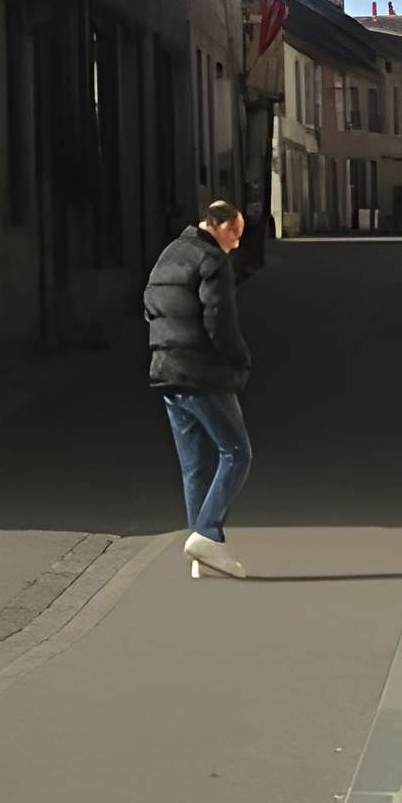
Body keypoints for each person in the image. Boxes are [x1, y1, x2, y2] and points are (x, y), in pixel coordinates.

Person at [144, 197, 254, 580]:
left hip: (167, 371)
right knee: (237, 453)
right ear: (219, 226)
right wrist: (239, 359)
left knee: (195, 467)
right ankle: (206, 536)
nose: (237, 243)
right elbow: (219, 319)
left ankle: (203, 557)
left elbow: (149, 304)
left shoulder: (170, 254)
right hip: (202, 372)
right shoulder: (212, 261)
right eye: (235, 233)